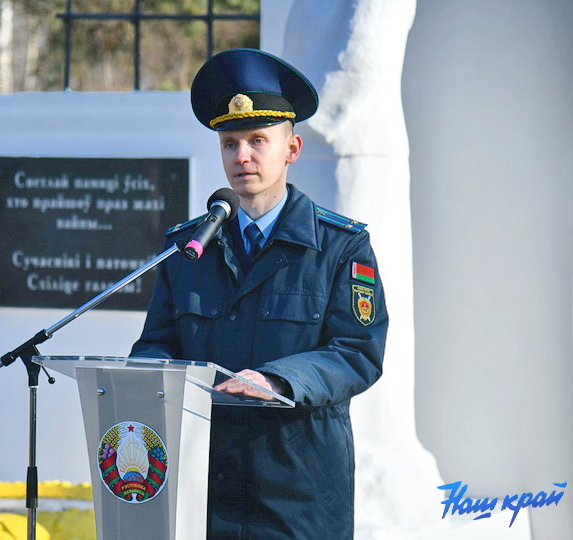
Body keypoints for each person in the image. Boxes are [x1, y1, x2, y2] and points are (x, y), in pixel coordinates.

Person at [130, 48, 388, 539]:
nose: (242, 156)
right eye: (229, 143)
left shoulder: (340, 246)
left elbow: (357, 353)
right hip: (203, 491)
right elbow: (158, 342)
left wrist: (279, 381)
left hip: (298, 493)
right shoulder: (188, 248)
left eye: (257, 140)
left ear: (291, 149)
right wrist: (142, 375)